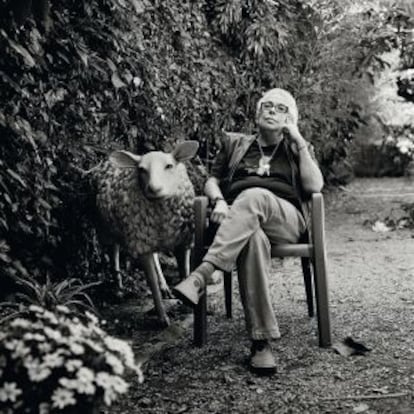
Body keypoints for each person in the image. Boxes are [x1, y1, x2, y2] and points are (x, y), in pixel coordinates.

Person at [173, 88, 324, 374]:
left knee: (255, 196)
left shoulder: (297, 148)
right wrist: (218, 200)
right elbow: (212, 180)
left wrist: (300, 142)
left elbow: (315, 187)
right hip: (239, 223)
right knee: (252, 238)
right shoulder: (236, 144)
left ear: (291, 118)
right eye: (266, 106)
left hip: (286, 220)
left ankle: (204, 273)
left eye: (280, 108)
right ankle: (261, 342)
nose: (271, 110)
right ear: (256, 115)